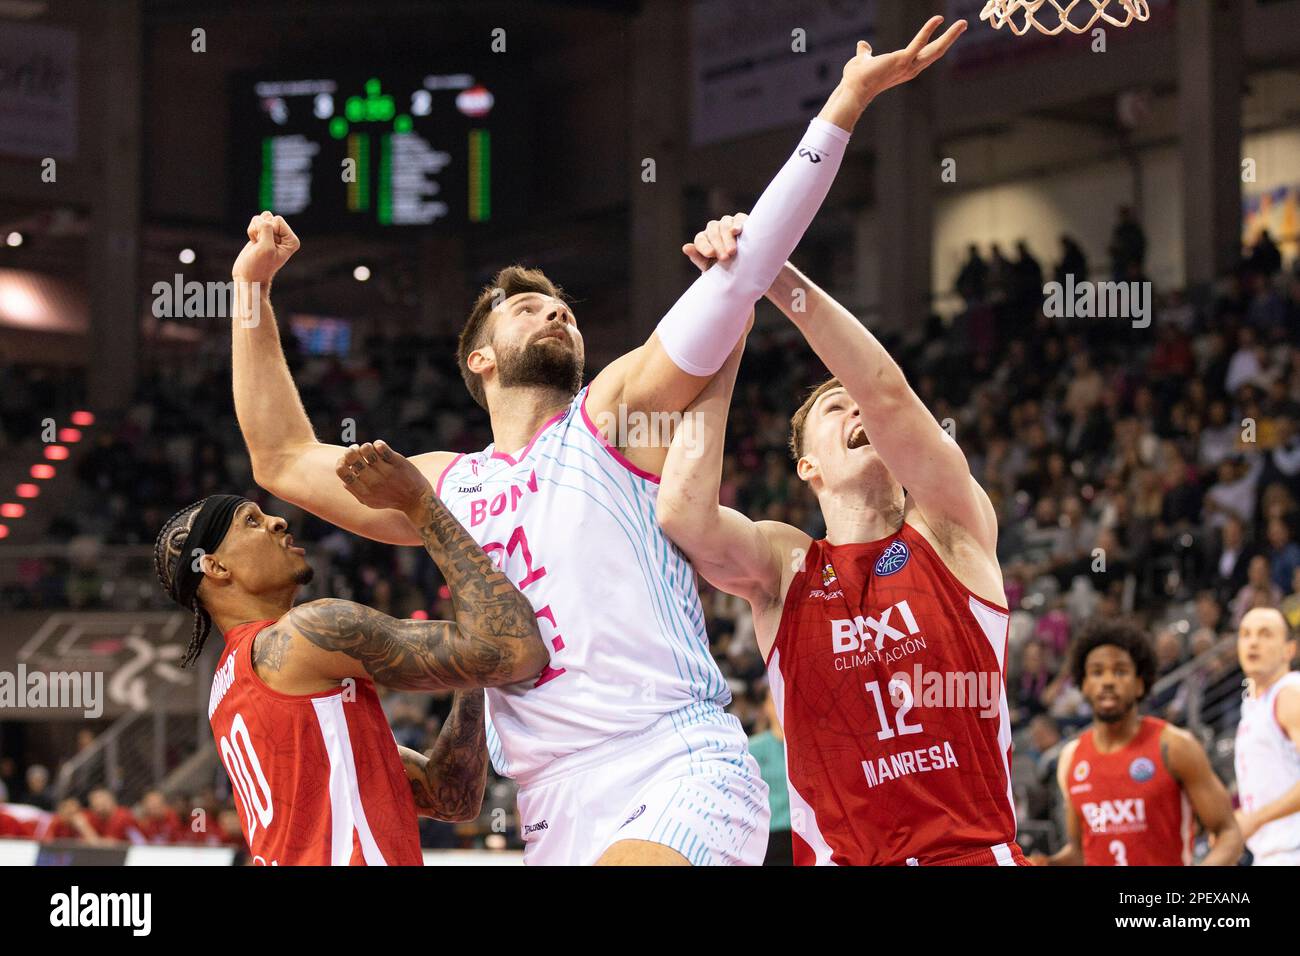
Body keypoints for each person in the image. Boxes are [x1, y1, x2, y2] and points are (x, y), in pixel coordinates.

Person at [229, 14, 968, 866]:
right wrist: (252, 290)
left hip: (673, 760)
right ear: (480, 358)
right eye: (527, 306)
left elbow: (746, 273)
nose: (556, 311)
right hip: (548, 802)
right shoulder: (442, 484)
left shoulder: (611, 413)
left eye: (564, 308)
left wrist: (843, 101)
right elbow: (280, 459)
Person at [659, 219, 1025, 866]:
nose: (857, 407)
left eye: (857, 400)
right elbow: (684, 515)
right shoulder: (786, 564)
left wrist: (769, 272)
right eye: (835, 407)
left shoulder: (950, 527)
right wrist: (728, 332)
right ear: (808, 467)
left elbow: (883, 392)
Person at [153, 446, 548, 865]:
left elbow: (450, 797)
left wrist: (471, 673)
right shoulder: (308, 633)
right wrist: (419, 504)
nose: (278, 519)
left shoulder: (230, 687)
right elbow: (510, 650)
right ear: (215, 567)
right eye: (250, 521)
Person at [1034, 620, 1242, 866]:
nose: (1108, 681)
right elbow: (1080, 851)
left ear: (1140, 683)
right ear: (1084, 685)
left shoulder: (1175, 746)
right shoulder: (1071, 758)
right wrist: (1047, 863)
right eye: (1097, 672)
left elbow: (1229, 833)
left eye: (1120, 671)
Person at [1233, 607, 1300, 865]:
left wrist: (1256, 818)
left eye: (1265, 634)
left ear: (1289, 650)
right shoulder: (1254, 704)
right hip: (1272, 854)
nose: (1253, 642)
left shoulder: (1289, 695)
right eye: (1245, 634)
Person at [747, 687, 792, 866]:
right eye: (774, 701)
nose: (780, 705)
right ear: (766, 707)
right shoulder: (751, 749)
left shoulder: (807, 747)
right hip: (769, 837)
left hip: (805, 833)